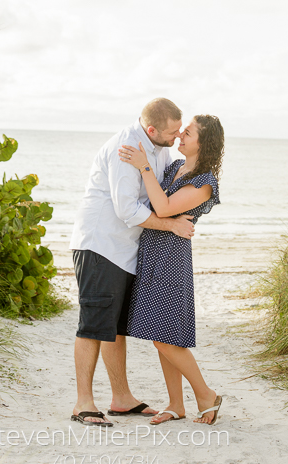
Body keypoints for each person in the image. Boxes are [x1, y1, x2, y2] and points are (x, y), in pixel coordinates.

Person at [68, 98, 195, 426]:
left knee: (116, 328)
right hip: (100, 245)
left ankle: (121, 398)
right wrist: (171, 225)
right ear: (151, 129)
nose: (176, 137)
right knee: (93, 324)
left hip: (125, 250)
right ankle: (83, 402)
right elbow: (127, 210)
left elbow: (159, 192)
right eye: (171, 132)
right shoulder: (127, 147)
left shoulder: (160, 147)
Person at [118, 114, 224, 425]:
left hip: (171, 258)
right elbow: (155, 203)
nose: (180, 135)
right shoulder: (175, 167)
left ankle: (206, 394)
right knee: (162, 333)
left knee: (164, 336)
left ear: (203, 144)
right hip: (151, 251)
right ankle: (176, 404)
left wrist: (143, 166)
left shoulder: (205, 183)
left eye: (188, 133)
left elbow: (163, 207)